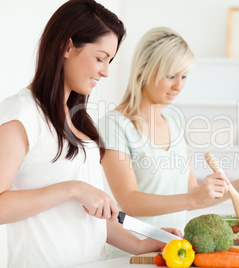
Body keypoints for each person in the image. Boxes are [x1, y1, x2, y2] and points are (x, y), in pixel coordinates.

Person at [0, 2, 181, 267]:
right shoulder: (21, 113)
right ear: (67, 46)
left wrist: (144, 243)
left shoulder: (78, 122)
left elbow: (91, 218)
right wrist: (73, 189)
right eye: (100, 58)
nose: (106, 71)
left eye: (110, 61)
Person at [99, 27, 239, 234]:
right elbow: (129, 202)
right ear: (143, 70)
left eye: (184, 77)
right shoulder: (114, 125)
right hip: (131, 254)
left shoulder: (173, 122)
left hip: (173, 248)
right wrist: (194, 197)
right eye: (171, 75)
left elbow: (193, 195)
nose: (178, 86)